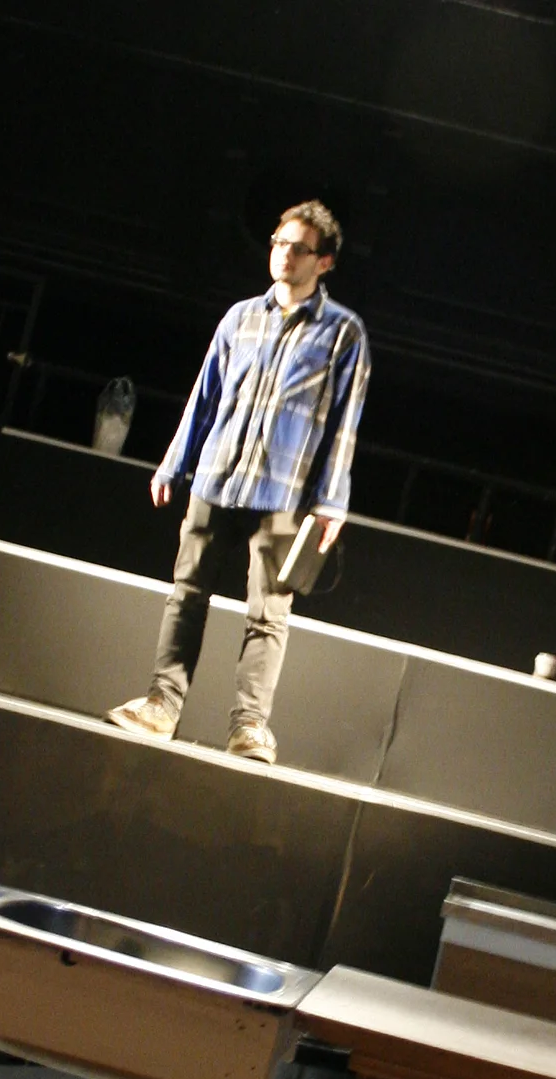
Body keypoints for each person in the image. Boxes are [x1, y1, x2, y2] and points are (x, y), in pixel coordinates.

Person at [106, 201, 370, 764]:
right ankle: (161, 705)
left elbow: (344, 423)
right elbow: (204, 396)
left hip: (284, 494)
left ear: (324, 261)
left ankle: (249, 727)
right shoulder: (240, 317)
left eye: (299, 248)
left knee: (268, 614)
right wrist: (174, 463)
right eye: (279, 242)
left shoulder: (343, 332)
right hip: (217, 478)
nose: (284, 255)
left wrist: (331, 502)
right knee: (186, 594)